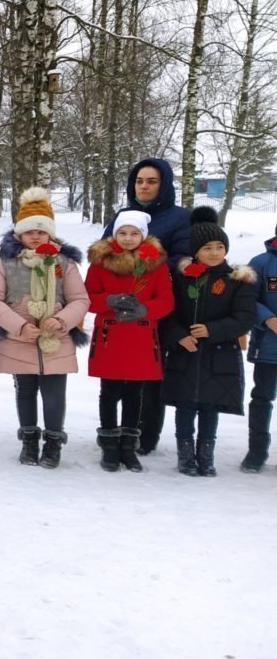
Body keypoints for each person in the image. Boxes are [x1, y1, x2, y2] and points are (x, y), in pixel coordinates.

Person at [0, 188, 90, 469]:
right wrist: (17, 326)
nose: (36, 236)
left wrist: (63, 320)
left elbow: (80, 299)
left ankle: (53, 442)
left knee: (55, 393)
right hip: (20, 341)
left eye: (42, 231)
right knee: (25, 391)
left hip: (57, 339)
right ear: (19, 233)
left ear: (51, 234)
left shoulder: (64, 263)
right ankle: (29, 439)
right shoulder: (4, 262)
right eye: (30, 231)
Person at [102, 158, 193, 455]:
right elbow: (104, 253)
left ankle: (144, 435)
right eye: (139, 180)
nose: (144, 186)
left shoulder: (180, 218)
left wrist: (141, 264)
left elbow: (183, 258)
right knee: (114, 374)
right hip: (118, 308)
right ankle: (113, 432)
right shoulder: (123, 215)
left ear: (164, 184)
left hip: (157, 306)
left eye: (151, 181)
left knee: (150, 374)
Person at [162, 207, 257, 477]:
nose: (214, 253)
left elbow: (244, 317)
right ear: (195, 251)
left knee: (209, 406)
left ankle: (206, 455)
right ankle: (185, 455)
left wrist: (212, 330)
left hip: (219, 354)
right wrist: (179, 335)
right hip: (186, 352)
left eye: (219, 247)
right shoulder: (181, 278)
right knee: (185, 405)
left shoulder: (237, 280)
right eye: (207, 248)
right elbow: (168, 314)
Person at [84, 210, 174, 472]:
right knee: (110, 392)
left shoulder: (156, 264)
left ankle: (129, 445)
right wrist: (109, 300)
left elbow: (166, 301)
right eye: (122, 233)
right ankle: (110, 444)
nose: (127, 238)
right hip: (111, 336)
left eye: (134, 233)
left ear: (143, 237)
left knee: (136, 393)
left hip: (140, 336)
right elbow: (88, 296)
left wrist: (145, 309)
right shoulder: (101, 262)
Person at [243, 224, 277, 472]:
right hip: (269, 347)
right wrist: (267, 319)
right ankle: (257, 451)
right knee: (262, 398)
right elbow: (247, 299)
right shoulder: (261, 263)